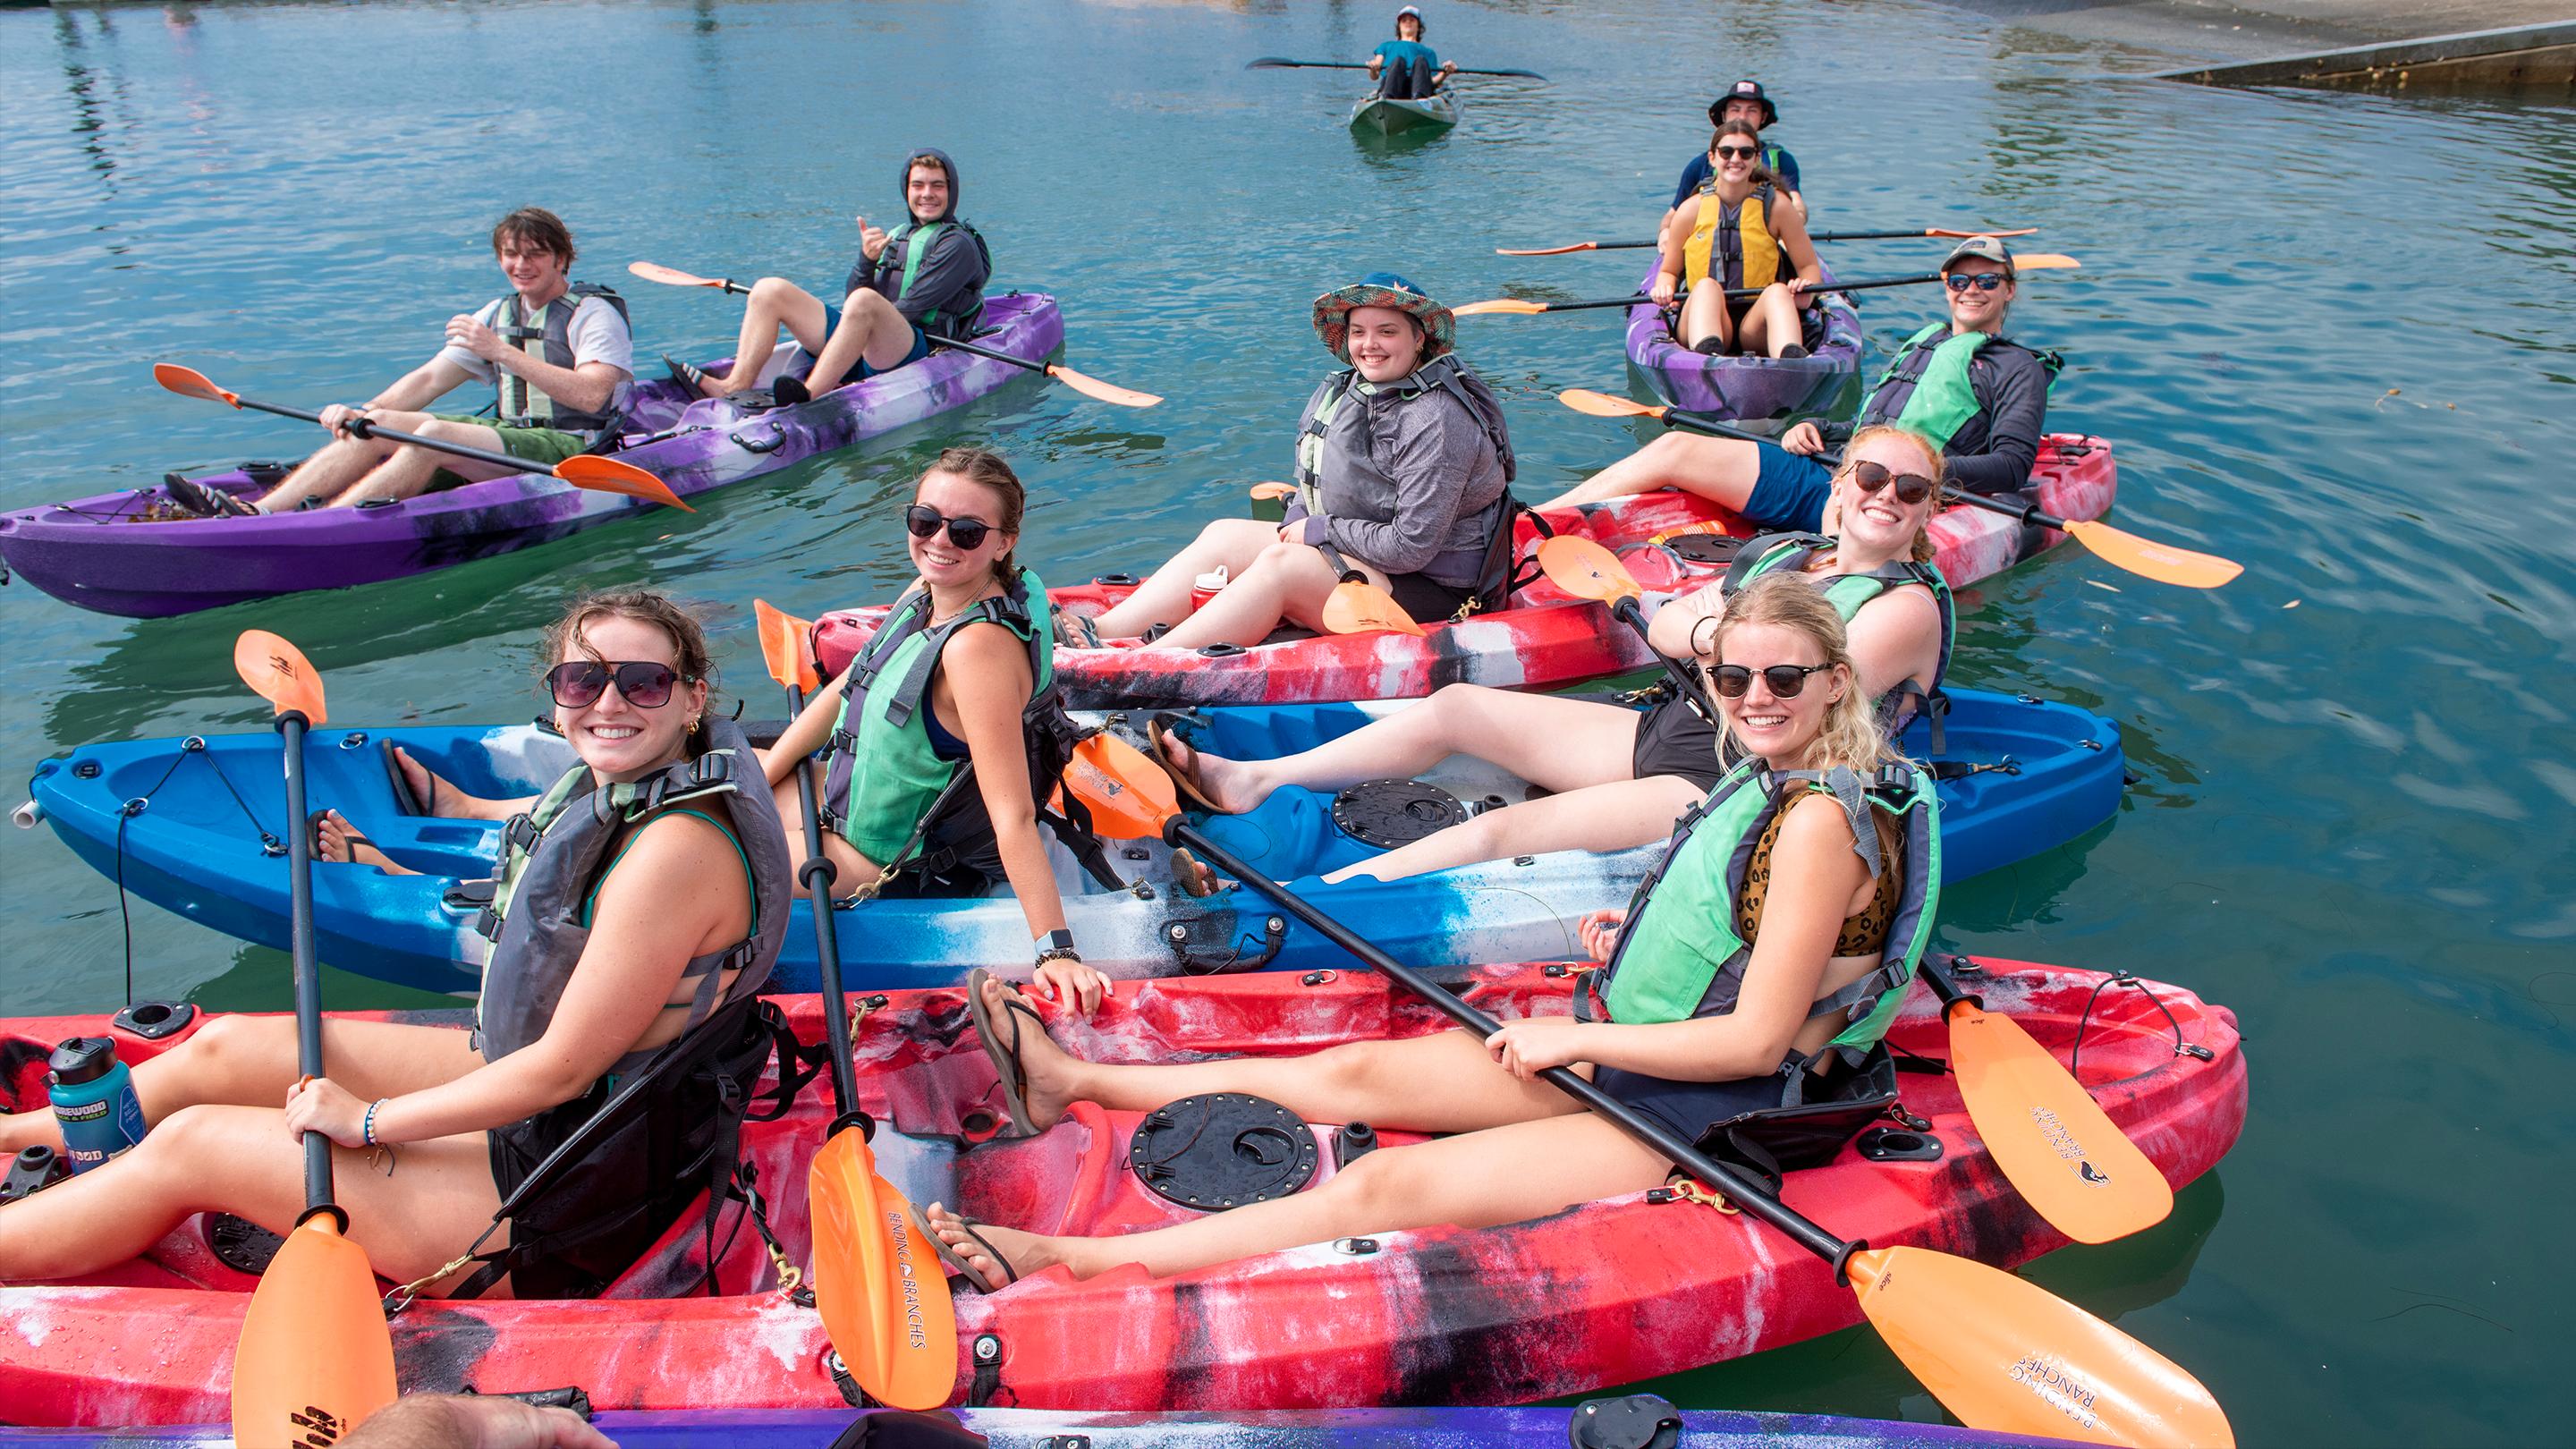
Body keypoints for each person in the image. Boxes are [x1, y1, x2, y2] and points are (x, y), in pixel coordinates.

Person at [924, 572, 1938, 1290]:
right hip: (1652, 1055)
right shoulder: (1781, 781)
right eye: (1734, 679)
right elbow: (1738, 932)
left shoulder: (1817, 823)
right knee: (1362, 1074)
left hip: (1719, 1109)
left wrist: (1574, 1036)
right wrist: (1633, 938)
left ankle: (1070, 1260)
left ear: (1837, 685)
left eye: (1785, 680)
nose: (1754, 700)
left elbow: (1756, 1041)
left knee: (1390, 1185)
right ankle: (1077, 1081)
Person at [0, 591, 792, 1301]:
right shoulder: (631, 787)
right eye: (582, 682)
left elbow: (564, 1069)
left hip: (576, 1193)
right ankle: (14, 1139)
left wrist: (368, 1121)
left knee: (193, 1145)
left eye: (642, 682)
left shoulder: (675, 852)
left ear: (691, 697)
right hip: (581, 1116)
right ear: (557, 699)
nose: (608, 702)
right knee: (230, 1052)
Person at [1157, 426, 1949, 885]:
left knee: (1502, 834)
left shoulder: (1906, 609)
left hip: (1741, 783)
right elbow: (1674, 631)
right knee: (1455, 709)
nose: (1887, 496)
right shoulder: (1788, 557)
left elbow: (1791, 703)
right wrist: (1710, 643)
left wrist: (1707, 637)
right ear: (1840, 487)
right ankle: (1251, 780)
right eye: (1873, 477)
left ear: (1927, 511)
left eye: (1910, 491)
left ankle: (1320, 898)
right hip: (1674, 728)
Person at [759, 447, 1114, 1013]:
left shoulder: (978, 651)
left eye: (967, 531)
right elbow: (848, 685)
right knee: (709, 792)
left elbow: (1013, 815)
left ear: (1004, 542)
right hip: (843, 797)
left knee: (699, 861)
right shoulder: (931, 594)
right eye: (925, 522)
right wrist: (762, 777)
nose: (939, 541)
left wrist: (1055, 950)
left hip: (884, 857)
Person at [1066, 273, 1513, 651]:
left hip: (1438, 593)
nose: (1369, 345)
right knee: (1225, 534)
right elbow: (1324, 481)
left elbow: (1411, 547)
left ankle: (1150, 661)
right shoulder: (1353, 390)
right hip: (1367, 557)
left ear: (1419, 339)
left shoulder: (1436, 419)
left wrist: (1317, 531)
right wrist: (1301, 517)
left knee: (1283, 566)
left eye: (1388, 331)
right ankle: (1101, 633)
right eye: (1359, 332)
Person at [1543, 237, 2055, 530]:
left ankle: (1538, 524)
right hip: (1834, 470)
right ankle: (1537, 520)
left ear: (2008, 290)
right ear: (1946, 287)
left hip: (1889, 497)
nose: (1971, 290)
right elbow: (1869, 425)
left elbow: (2011, 466)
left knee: (1677, 450)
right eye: (1959, 280)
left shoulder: (2015, 367)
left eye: (1987, 281)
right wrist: (1814, 426)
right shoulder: (1929, 340)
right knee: (1676, 447)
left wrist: (1907, 473)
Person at [164, 208, 633, 517]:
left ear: (561, 259)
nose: (521, 265)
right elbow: (430, 377)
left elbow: (593, 395)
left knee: (431, 434)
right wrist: (360, 411)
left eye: (536, 255)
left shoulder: (593, 314)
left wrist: (500, 352)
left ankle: (328, 524)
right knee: (380, 422)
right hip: (514, 438)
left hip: (576, 447)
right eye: (512, 255)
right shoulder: (498, 312)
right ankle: (262, 513)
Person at [669, 148, 989, 405]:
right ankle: (735, 385)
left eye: (937, 185)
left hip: (914, 351)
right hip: (865, 343)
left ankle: (807, 396)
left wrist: (857, 325)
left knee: (866, 303)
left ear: (951, 191)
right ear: (906, 190)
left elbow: (909, 310)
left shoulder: (957, 245)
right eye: (918, 185)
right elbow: (855, 300)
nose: (927, 194)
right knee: (770, 289)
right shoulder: (899, 235)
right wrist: (866, 260)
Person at [1650, 119, 1825, 359]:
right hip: (1701, 315)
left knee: (1778, 292)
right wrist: (1665, 287)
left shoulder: (1778, 207)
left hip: (1754, 324)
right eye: (1726, 152)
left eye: (1745, 152)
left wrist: (1808, 291)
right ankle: (1706, 363)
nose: (1735, 159)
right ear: (1712, 158)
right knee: (1706, 286)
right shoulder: (1691, 210)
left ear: (1756, 159)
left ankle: (1792, 366)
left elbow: (1808, 267)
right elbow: (1669, 271)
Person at [1665, 80, 1803, 221]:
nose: (1743, 117)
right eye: (1735, 110)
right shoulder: (1699, 165)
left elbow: (1797, 204)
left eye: (1752, 110)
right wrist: (1665, 234)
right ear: (1724, 115)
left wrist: (1793, 223)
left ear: (1763, 117)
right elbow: (1672, 215)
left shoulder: (1782, 161)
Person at [1368, 6, 1455, 99]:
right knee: (1399, 61)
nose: (1408, 22)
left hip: (1419, 86)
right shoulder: (1386, 46)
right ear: (1399, 27)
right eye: (1404, 20)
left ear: (1418, 27)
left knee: (1420, 60)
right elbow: (1374, 75)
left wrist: (1445, 73)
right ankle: (1388, 97)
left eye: (1412, 20)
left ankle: (1419, 98)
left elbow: (1432, 81)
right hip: (1392, 85)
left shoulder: (1428, 52)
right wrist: (1373, 68)